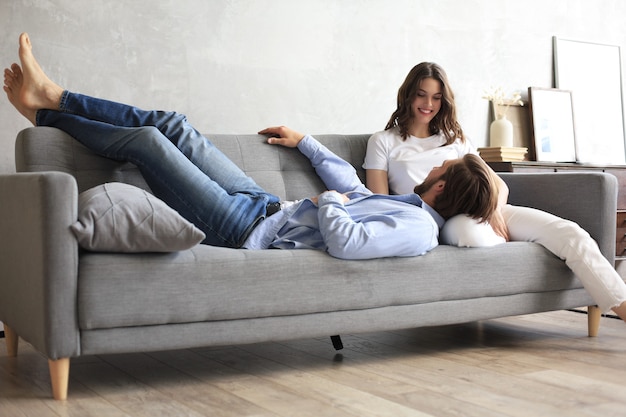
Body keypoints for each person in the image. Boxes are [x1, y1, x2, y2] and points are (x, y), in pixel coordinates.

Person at [3, 33, 498, 261]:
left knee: (150, 144)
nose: (447, 160)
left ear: (443, 185)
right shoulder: (408, 203)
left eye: (450, 165)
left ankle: (46, 113)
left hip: (244, 230)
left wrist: (331, 203)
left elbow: (348, 243)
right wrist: (309, 145)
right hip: (265, 205)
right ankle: (54, 98)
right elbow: (351, 185)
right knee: (174, 125)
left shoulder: (417, 230)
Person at [363, 61, 626, 321]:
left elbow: (496, 183)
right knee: (469, 232)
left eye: (436, 97)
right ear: (408, 94)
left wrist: (494, 210)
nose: (428, 104)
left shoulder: (456, 139)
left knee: (570, 233)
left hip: (489, 208)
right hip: (439, 220)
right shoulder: (384, 142)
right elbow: (381, 201)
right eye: (421, 95)